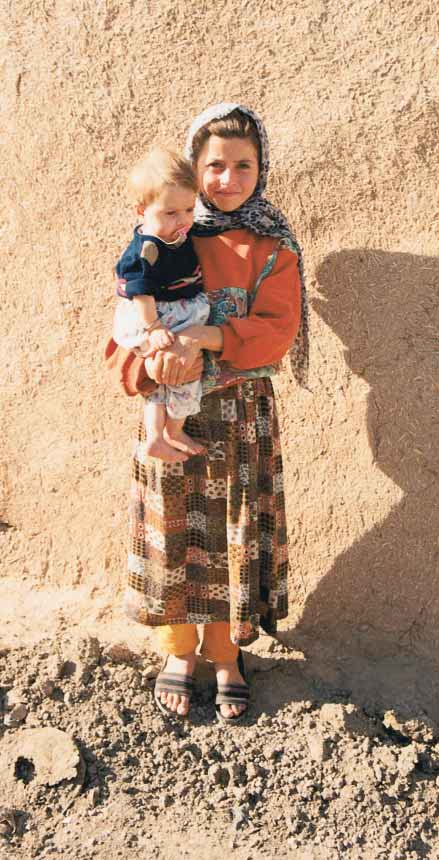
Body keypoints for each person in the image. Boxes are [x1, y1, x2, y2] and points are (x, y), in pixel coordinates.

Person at [120, 103, 309, 723]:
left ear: (262, 169)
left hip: (240, 418)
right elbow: (122, 329)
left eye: (244, 166)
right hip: (175, 410)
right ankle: (177, 652)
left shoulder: (273, 247)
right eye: (215, 166)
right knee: (174, 531)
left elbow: (276, 331)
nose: (229, 179)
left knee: (231, 536)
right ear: (195, 169)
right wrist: (153, 360)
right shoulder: (167, 234)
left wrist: (203, 340)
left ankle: (227, 655)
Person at [114, 146, 210, 462]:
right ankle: (169, 430)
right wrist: (153, 327)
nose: (182, 220)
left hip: (169, 313)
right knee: (181, 373)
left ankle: (160, 435)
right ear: (142, 211)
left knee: (165, 380)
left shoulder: (176, 236)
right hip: (159, 316)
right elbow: (140, 291)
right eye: (170, 213)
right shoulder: (147, 249)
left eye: (188, 210)